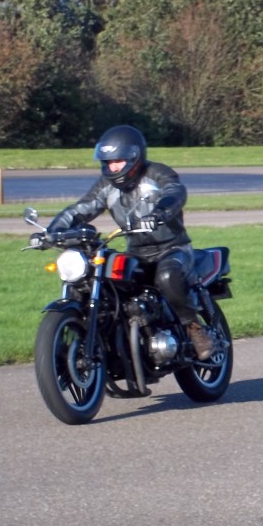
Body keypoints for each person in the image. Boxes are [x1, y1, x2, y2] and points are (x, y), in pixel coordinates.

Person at [45, 124, 214, 359]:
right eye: (108, 162)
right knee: (102, 280)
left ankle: (194, 327)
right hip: (136, 252)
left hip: (172, 248)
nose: (112, 167)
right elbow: (82, 208)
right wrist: (52, 231)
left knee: (167, 276)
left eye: (118, 161)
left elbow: (175, 192)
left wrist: (160, 213)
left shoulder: (157, 173)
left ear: (135, 157)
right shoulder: (106, 185)